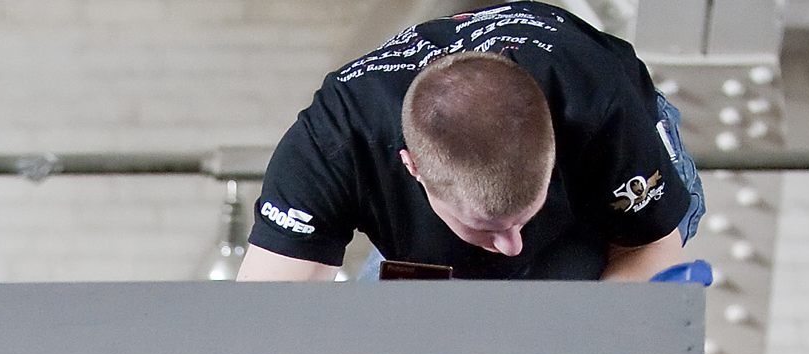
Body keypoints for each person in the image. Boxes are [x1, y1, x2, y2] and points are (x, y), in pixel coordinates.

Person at [239, 2, 699, 283]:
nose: (512, 245)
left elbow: (647, 247)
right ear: (413, 168)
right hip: (425, 214)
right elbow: (270, 319)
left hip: (595, 197)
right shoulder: (332, 144)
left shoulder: (597, 104)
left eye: (522, 219)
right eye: (487, 229)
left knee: (556, 330)